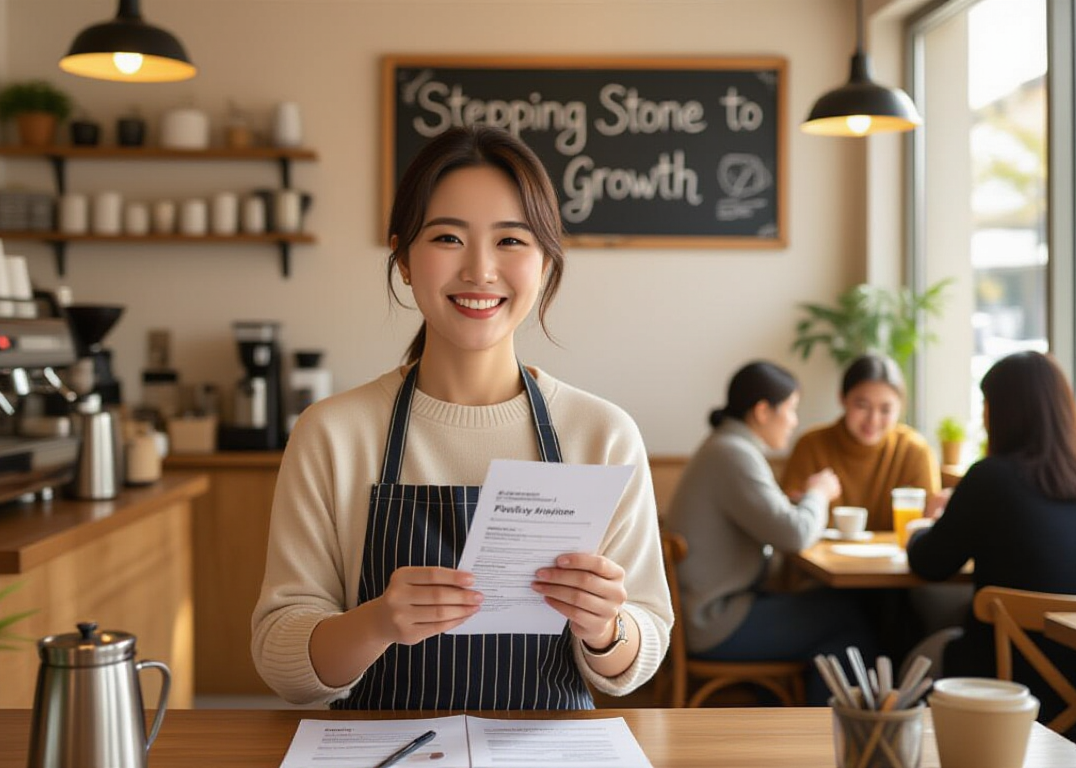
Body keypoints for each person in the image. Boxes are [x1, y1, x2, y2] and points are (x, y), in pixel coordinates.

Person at [250, 125, 671, 710]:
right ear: (401, 258)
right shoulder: (332, 434)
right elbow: (280, 657)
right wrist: (375, 624)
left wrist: (604, 627)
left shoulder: (602, 434)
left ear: (546, 262)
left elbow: (638, 656)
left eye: (511, 241)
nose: (479, 270)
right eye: (448, 237)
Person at [907, 351, 1076, 739]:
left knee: (918, 657)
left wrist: (923, 526)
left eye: (986, 405)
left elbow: (930, 563)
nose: (982, 417)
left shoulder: (991, 478)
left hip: (1009, 690)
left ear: (1003, 412)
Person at [665, 361, 873, 705]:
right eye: (791, 410)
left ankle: (805, 724)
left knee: (833, 615)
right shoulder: (733, 454)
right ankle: (832, 737)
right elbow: (796, 534)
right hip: (714, 622)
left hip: (707, 614)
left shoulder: (725, 447)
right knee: (847, 617)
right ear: (763, 411)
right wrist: (817, 493)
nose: (794, 421)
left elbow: (773, 522)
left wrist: (796, 503)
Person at [781, 354, 939, 531]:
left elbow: (926, 526)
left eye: (885, 409)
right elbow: (791, 520)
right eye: (862, 406)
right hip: (821, 557)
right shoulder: (811, 445)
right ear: (842, 399)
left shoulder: (914, 450)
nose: (873, 419)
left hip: (892, 557)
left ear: (900, 408)